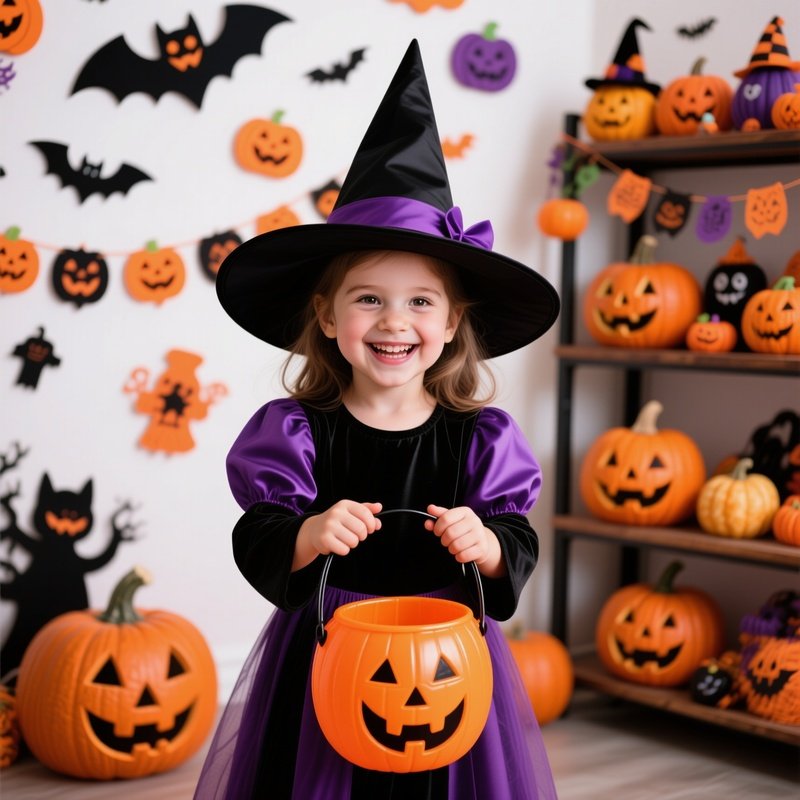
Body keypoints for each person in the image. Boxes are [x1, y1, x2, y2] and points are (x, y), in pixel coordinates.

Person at [194, 39, 560, 800]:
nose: (395, 321)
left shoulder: (480, 438)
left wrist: (489, 546)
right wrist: (308, 533)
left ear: (452, 322)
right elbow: (259, 535)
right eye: (369, 299)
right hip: (328, 650)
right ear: (328, 317)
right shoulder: (295, 432)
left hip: (445, 657)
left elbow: (516, 542)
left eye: (420, 301)